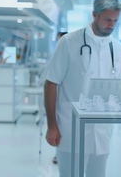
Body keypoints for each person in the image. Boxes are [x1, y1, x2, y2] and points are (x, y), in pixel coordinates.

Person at [43, 0, 121, 177]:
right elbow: (51, 83)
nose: (111, 25)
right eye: (107, 19)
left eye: (115, 20)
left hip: (102, 132)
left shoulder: (118, 50)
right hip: (70, 130)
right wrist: (52, 125)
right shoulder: (68, 42)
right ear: (94, 15)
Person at [51, 31, 67, 165]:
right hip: (55, 97)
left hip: (65, 99)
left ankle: (60, 154)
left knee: (63, 129)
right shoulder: (55, 56)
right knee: (56, 126)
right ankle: (58, 153)